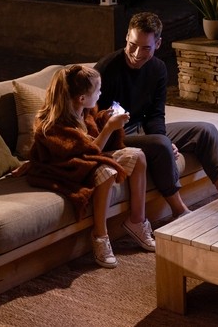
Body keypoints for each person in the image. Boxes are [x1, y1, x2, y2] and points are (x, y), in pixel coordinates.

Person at [95, 12, 218, 220]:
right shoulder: (106, 69)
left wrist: (165, 138)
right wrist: (163, 141)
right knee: (161, 144)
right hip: (114, 136)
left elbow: (155, 114)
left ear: (158, 44)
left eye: (145, 48)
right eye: (132, 44)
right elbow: (93, 119)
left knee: (206, 131)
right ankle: (180, 211)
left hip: (142, 129)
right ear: (126, 37)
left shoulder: (158, 69)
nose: (136, 53)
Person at [25, 64, 156, 268]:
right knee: (107, 171)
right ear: (81, 98)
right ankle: (100, 236)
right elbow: (84, 153)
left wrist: (106, 118)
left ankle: (137, 221)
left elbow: (92, 135)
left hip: (88, 160)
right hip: (66, 169)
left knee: (138, 156)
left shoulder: (84, 111)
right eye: (98, 90)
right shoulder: (51, 126)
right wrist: (110, 128)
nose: (101, 93)